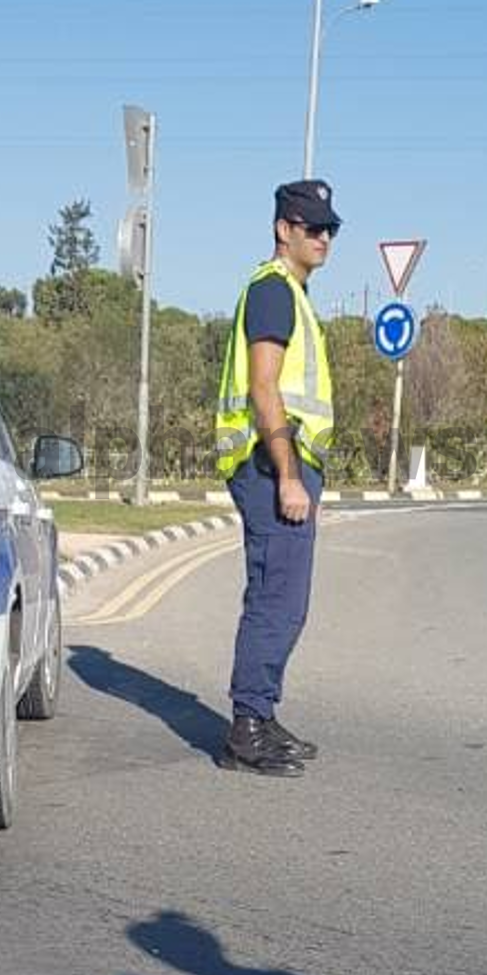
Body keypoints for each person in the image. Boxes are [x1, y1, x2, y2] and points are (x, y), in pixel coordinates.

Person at [213, 179, 339, 777]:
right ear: (282, 229)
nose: (323, 237)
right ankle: (246, 729)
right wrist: (289, 474)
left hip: (284, 464)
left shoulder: (290, 293)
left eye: (329, 228)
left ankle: (261, 713)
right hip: (269, 465)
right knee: (277, 601)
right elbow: (264, 388)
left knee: (285, 600)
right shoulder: (272, 292)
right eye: (311, 227)